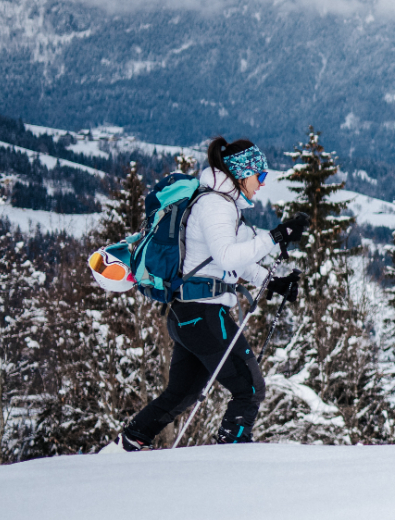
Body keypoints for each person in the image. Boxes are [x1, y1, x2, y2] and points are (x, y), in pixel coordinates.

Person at [119, 137, 306, 449]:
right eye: (259, 177)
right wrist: (276, 236)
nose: (261, 185)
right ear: (242, 173)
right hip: (204, 315)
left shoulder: (222, 204)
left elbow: (238, 260)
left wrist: (272, 283)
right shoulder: (216, 205)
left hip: (188, 315)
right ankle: (232, 453)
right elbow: (226, 257)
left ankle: (129, 441)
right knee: (249, 387)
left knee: (182, 393)